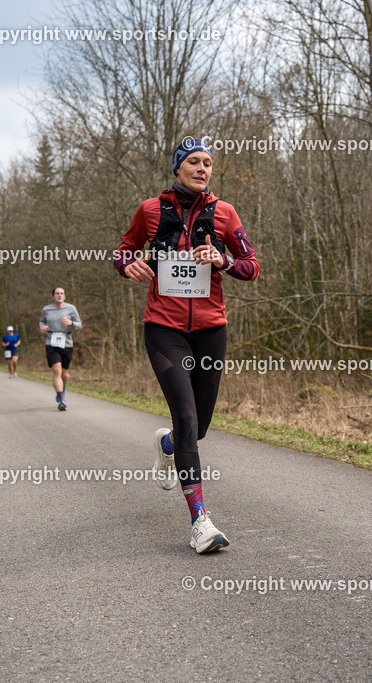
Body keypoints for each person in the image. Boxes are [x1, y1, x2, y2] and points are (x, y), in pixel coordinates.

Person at [114, 137, 259, 554]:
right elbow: (123, 253)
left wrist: (223, 261)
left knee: (200, 426)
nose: (202, 168)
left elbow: (251, 267)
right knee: (187, 418)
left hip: (212, 327)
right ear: (178, 168)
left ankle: (167, 444)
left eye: (208, 163)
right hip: (164, 328)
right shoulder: (150, 210)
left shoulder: (225, 213)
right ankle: (200, 521)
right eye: (193, 162)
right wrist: (130, 265)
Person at [39, 287, 82, 411]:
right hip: (51, 341)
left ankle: (62, 389)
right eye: (57, 293)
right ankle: (61, 399)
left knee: (65, 374)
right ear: (53, 296)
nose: (59, 295)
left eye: (61, 293)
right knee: (56, 370)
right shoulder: (46, 310)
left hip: (67, 342)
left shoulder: (71, 308)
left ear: (65, 296)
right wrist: (42, 328)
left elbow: (79, 325)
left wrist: (71, 323)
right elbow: (41, 322)